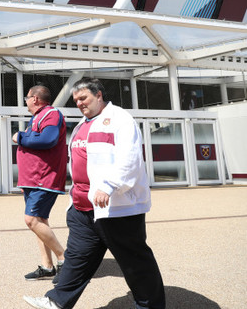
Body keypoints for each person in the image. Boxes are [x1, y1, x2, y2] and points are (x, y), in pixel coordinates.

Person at [24, 77, 165, 309]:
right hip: (82, 207)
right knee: (76, 260)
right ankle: (56, 301)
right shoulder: (82, 124)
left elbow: (129, 159)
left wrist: (109, 186)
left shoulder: (120, 119)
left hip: (116, 209)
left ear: (99, 95)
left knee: (135, 262)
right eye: (76, 100)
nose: (79, 103)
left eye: (83, 98)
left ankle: (151, 305)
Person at [12, 85, 68, 281]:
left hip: (44, 178)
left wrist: (20, 136)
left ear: (35, 99)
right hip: (33, 179)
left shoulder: (51, 114)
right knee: (40, 221)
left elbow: (47, 139)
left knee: (32, 220)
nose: (25, 101)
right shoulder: (37, 116)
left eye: (26, 98)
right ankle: (47, 266)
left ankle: (64, 258)